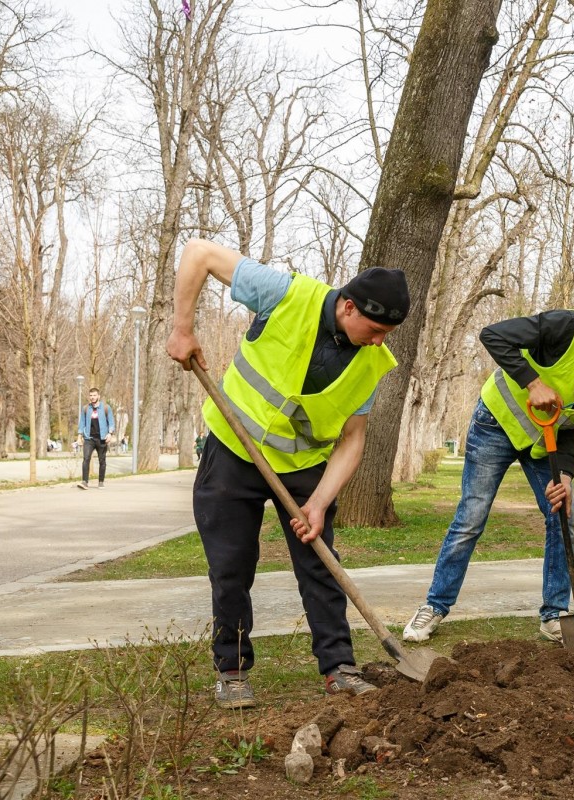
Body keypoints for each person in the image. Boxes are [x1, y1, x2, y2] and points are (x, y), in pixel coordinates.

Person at [166, 238, 409, 709]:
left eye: (387, 334)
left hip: (303, 468)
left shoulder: (372, 361)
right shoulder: (287, 294)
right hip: (234, 451)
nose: (380, 341)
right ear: (349, 306)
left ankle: (339, 667)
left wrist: (318, 502)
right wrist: (182, 328)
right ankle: (232, 671)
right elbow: (198, 252)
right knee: (232, 566)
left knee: (321, 565)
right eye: (376, 329)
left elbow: (352, 440)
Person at [403, 309, 574, 644]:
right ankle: (434, 606)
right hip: (495, 424)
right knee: (471, 517)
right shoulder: (570, 327)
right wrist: (534, 382)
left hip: (546, 443)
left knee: (562, 514)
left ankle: (553, 614)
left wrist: (567, 477)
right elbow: (492, 334)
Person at [77, 388, 116, 489]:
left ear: (98, 396)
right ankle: (84, 482)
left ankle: (101, 481)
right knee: (86, 458)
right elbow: (82, 423)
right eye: (91, 395)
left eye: (94, 395)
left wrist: (110, 433)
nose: (92, 397)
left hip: (102, 438)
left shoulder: (106, 408)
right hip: (89, 438)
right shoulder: (86, 408)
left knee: (102, 460)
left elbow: (111, 422)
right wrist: (79, 436)